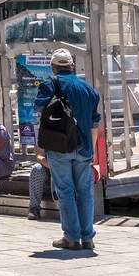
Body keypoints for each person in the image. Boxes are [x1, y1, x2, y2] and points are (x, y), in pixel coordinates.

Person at [35, 48, 104, 251]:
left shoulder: (50, 84)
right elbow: (94, 122)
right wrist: (91, 151)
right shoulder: (88, 88)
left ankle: (71, 237)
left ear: (53, 67)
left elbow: (39, 109)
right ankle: (87, 237)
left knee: (65, 191)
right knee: (85, 191)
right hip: (84, 147)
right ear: (72, 66)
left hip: (59, 145)